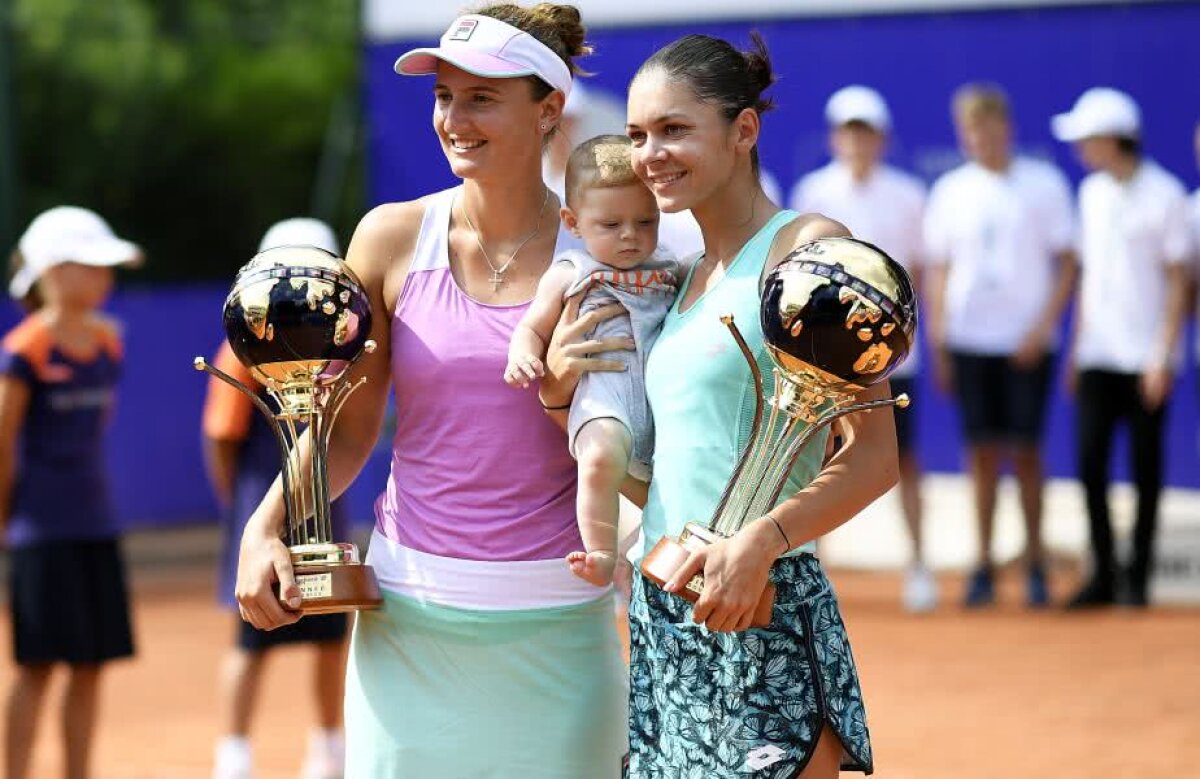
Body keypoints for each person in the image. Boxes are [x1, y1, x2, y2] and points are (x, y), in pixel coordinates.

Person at [232, 5, 628, 777]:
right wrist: (264, 525)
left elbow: (625, 436)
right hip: (410, 615)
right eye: (445, 95)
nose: (454, 117)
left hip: (560, 620)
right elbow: (348, 428)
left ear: (549, 109)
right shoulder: (388, 237)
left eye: (482, 97)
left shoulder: (605, 252)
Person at [541, 33, 901, 777]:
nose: (650, 154)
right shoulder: (677, 278)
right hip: (664, 604)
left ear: (744, 130)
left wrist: (761, 543)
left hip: (763, 598)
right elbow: (673, 472)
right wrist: (560, 405)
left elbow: (873, 456)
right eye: (639, 134)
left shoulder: (806, 249)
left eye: (675, 129)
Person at [204, 218, 349, 779]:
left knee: (330, 637)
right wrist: (243, 512)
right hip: (259, 511)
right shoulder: (241, 342)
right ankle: (234, 756)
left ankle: (328, 750)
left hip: (324, 511)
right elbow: (220, 436)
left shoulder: (346, 339)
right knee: (251, 640)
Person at [923, 84, 1077, 608]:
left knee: (1027, 453)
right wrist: (940, 340)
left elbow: (1068, 263)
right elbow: (939, 270)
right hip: (969, 343)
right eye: (971, 129)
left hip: (1027, 345)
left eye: (989, 127)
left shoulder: (1044, 183)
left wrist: (1041, 329)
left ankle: (1035, 562)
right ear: (963, 134)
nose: (981, 138)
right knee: (981, 454)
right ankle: (984, 564)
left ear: (1006, 129)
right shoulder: (949, 190)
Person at [1, 206, 141, 779]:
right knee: (37, 668)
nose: (106, 278)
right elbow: (3, 443)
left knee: (90, 665)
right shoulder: (23, 351)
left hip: (96, 526)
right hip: (40, 533)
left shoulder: (109, 345)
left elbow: (96, 428)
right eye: (93, 266)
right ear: (54, 270)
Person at [506, 134, 678, 587]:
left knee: (681, 490)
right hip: (605, 403)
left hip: (661, 410)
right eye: (610, 224)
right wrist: (523, 354)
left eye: (646, 221)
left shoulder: (667, 266)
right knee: (600, 459)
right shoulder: (571, 270)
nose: (630, 235)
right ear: (574, 221)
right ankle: (602, 551)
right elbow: (532, 326)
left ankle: (641, 553)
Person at [790, 85, 935, 613]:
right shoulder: (812, 190)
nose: (856, 140)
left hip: (893, 361)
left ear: (881, 138)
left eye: (865, 131)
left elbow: (917, 276)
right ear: (836, 136)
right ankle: (814, 565)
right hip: (826, 362)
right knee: (817, 462)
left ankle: (919, 565)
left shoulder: (909, 195)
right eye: (848, 130)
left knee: (906, 460)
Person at [1051, 88, 1195, 608]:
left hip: (1147, 361)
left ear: (1113, 138)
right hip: (1096, 356)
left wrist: (1163, 356)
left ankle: (1138, 579)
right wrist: (1075, 350)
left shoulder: (1166, 195)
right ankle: (1104, 575)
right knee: (1090, 465)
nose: (1079, 148)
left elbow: (1180, 284)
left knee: (1145, 469)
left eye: (1087, 138)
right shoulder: (1090, 193)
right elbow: (1090, 279)